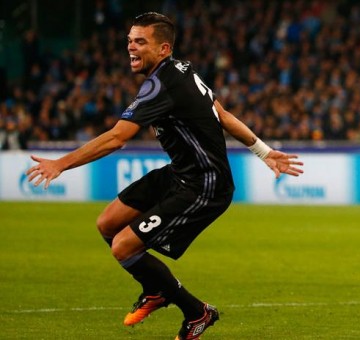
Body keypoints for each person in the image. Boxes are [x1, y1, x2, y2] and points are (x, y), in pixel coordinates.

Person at [26, 12, 303, 340]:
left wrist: (61, 164)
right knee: (107, 224)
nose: (131, 46)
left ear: (163, 49)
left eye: (140, 42)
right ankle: (156, 290)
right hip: (179, 174)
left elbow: (117, 137)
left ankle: (197, 313)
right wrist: (264, 151)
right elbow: (222, 114)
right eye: (130, 39)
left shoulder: (161, 86)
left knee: (123, 248)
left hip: (205, 184)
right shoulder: (182, 69)